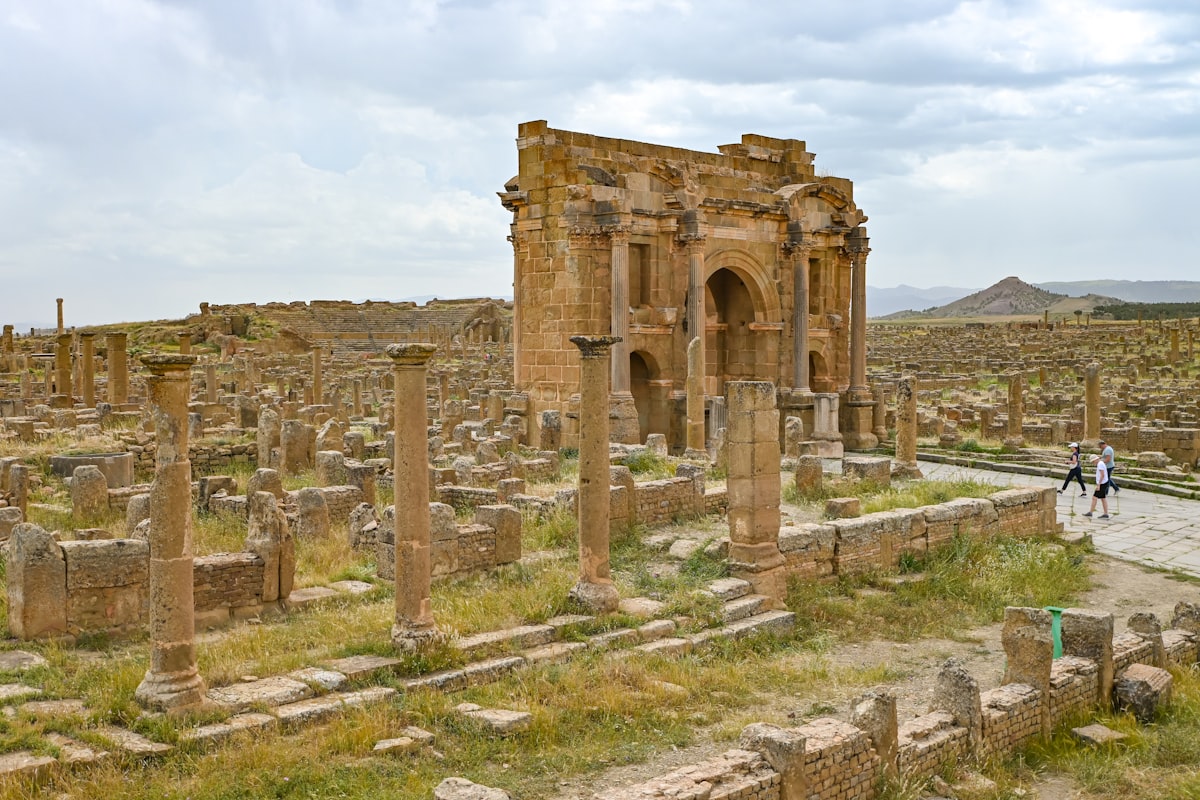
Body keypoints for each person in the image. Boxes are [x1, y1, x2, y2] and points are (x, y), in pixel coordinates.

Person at [1082, 454, 1110, 519]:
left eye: (1093, 461)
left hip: (1102, 483)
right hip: (1104, 482)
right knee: (1103, 498)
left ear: (1095, 460)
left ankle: (1091, 512)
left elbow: (1102, 475)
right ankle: (1105, 513)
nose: (1093, 463)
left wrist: (1098, 485)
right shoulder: (1101, 463)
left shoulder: (1100, 464)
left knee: (1094, 497)